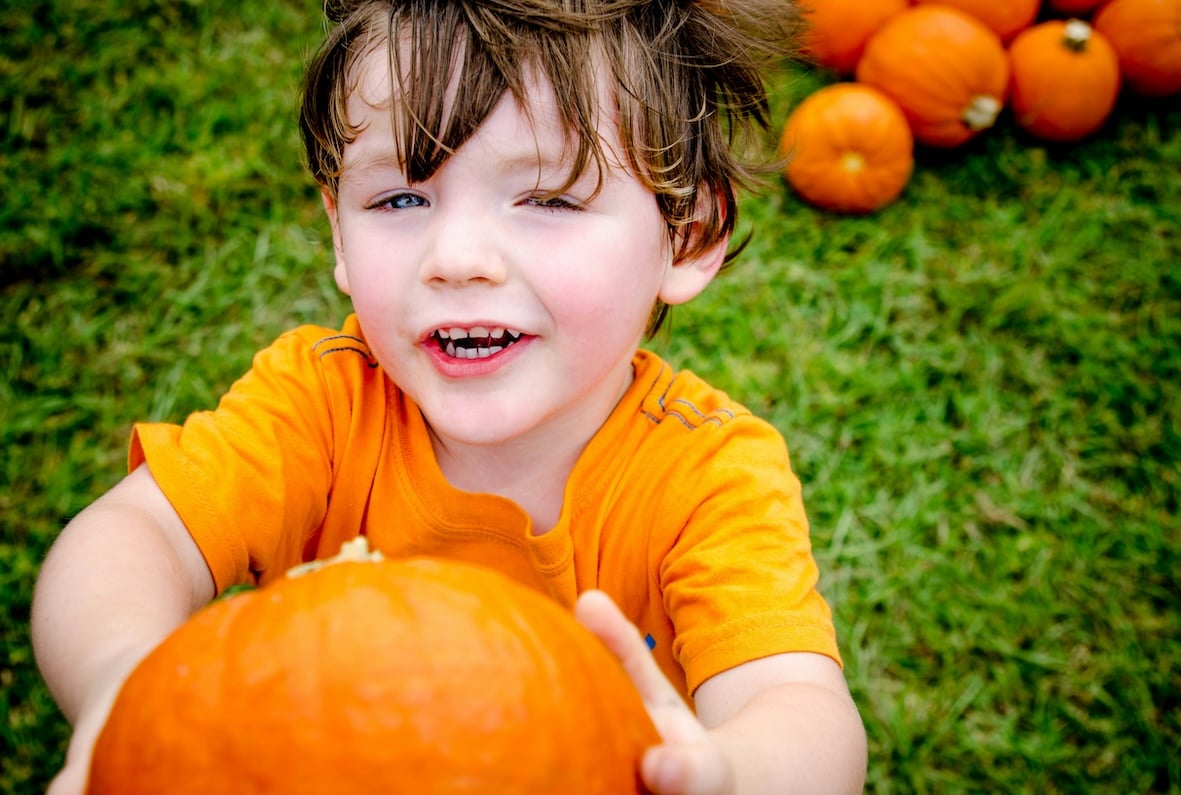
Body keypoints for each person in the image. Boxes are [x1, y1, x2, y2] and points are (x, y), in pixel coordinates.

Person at [32, 1, 868, 792]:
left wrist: (730, 771)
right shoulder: (324, 404)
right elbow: (130, 536)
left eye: (548, 198)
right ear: (337, 232)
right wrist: (129, 690)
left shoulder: (706, 474)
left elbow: (798, 707)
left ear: (686, 237)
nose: (458, 256)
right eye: (400, 198)